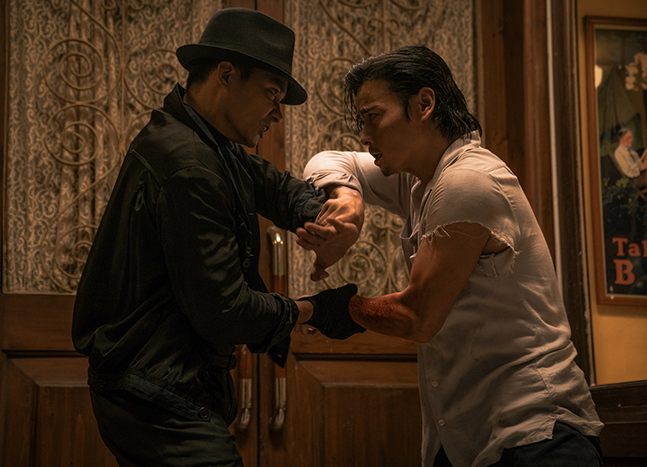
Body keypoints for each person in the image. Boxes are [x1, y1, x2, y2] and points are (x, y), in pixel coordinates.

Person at [71, 8, 359, 466]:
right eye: (272, 93)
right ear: (226, 74)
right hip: (155, 392)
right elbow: (226, 313)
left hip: (163, 383)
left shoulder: (206, 141)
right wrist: (316, 310)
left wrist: (329, 215)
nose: (277, 114)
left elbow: (275, 186)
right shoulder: (189, 163)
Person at [297, 46, 604, 467]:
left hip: (538, 434)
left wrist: (332, 309)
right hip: (473, 439)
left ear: (424, 104)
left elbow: (417, 316)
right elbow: (328, 159)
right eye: (361, 122)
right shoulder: (420, 180)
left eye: (373, 117)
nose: (364, 136)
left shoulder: (467, 181)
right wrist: (349, 206)